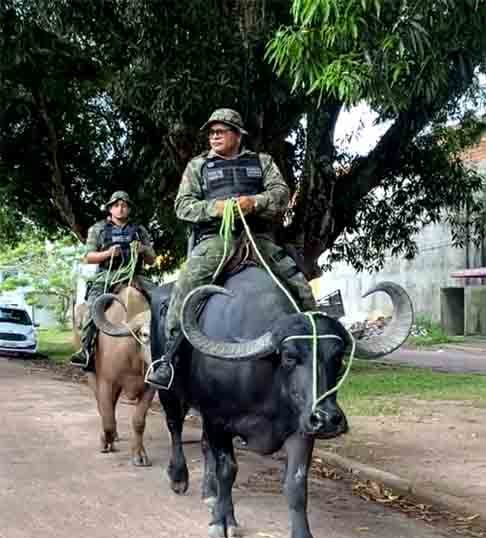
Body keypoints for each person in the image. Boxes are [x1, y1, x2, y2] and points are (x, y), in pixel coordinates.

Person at [146, 108, 316, 389]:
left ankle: (315, 344)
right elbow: (183, 206)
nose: (214, 136)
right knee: (187, 284)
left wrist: (255, 202)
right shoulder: (198, 166)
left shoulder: (262, 162)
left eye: (221, 131)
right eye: (211, 132)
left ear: (238, 135)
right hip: (216, 240)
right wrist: (217, 207)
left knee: (299, 285)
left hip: (258, 239)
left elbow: (281, 194)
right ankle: (169, 358)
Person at [70, 190, 156, 370]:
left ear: (129, 209)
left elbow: (152, 259)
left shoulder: (140, 230)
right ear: (110, 209)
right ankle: (85, 350)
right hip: (107, 275)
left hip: (136, 275)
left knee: (162, 302)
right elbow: (88, 257)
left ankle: (166, 352)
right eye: (116, 206)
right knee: (93, 308)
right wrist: (108, 253)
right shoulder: (98, 229)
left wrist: (143, 250)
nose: (120, 209)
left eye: (124, 205)